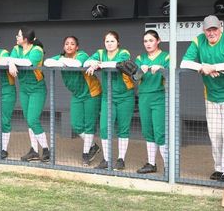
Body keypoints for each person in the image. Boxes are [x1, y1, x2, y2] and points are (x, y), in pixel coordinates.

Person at [180, 15, 224, 182]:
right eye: (208, 29)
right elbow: (184, 63)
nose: (211, 33)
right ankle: (218, 168)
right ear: (204, 30)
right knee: (215, 134)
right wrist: (203, 67)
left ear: (220, 28)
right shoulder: (199, 40)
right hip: (211, 95)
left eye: (214, 29)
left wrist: (215, 67)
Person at [44, 36, 102, 166]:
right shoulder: (61, 56)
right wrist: (63, 61)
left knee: (89, 124)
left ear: (77, 47)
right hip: (77, 94)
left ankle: (86, 153)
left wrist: (61, 61)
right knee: (76, 124)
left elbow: (78, 64)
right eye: (66, 44)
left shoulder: (82, 54)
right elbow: (47, 62)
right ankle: (93, 146)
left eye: (72, 44)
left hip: (91, 93)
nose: (69, 46)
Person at [85, 31, 135, 170]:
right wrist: (94, 63)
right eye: (107, 41)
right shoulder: (101, 53)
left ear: (118, 42)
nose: (109, 44)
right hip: (108, 97)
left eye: (112, 41)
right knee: (104, 127)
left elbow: (118, 64)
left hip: (125, 95)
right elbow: (87, 61)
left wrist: (99, 65)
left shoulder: (124, 52)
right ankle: (106, 159)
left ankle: (120, 159)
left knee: (123, 128)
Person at [7, 27, 50, 162]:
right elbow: (11, 58)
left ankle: (47, 150)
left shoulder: (37, 50)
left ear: (25, 38)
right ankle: (34, 150)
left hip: (37, 88)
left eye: (18, 35)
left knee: (33, 119)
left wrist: (11, 61)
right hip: (24, 88)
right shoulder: (16, 49)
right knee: (28, 119)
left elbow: (28, 62)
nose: (16, 37)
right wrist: (10, 61)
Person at [134, 30, 170, 174]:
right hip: (143, 97)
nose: (148, 44)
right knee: (148, 131)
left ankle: (168, 166)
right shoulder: (140, 58)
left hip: (159, 96)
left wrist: (161, 69)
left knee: (160, 132)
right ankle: (151, 163)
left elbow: (171, 74)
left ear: (158, 41)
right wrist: (140, 71)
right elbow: (135, 77)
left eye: (151, 40)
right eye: (145, 41)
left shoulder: (166, 56)